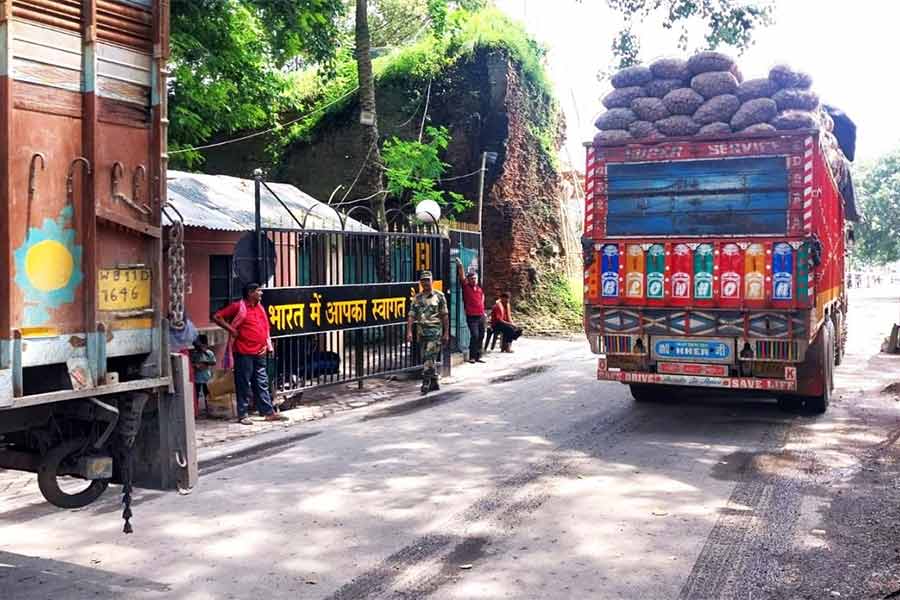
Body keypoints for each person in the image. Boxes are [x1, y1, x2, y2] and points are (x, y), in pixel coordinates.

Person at [213, 283, 288, 425]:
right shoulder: (238, 307)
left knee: (261, 382)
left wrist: (267, 345)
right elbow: (217, 317)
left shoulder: (259, 307)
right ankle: (243, 414)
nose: (261, 293)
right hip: (243, 352)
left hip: (260, 351)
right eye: (258, 290)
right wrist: (232, 330)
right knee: (243, 383)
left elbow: (264, 328)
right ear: (250, 293)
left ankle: (268, 412)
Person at [406, 270, 449, 394]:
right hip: (422, 333)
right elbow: (411, 315)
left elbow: (445, 315)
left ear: (432, 281)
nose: (425, 283)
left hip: (435, 332)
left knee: (429, 356)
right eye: (423, 281)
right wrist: (409, 331)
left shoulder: (439, 296)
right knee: (426, 357)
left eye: (427, 280)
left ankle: (425, 382)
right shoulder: (417, 298)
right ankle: (434, 381)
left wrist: (446, 333)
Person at [455, 257, 486, 364]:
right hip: (471, 316)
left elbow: (482, 298)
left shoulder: (479, 289)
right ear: (469, 280)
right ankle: (472, 356)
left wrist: (483, 311)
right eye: (472, 279)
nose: (474, 280)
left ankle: (478, 355)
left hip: (481, 315)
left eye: (475, 278)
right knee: (475, 335)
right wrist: (460, 265)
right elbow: (462, 277)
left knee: (481, 335)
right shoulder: (466, 287)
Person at [190, 334, 217, 406]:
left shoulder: (209, 353)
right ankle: (196, 407)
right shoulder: (195, 354)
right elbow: (191, 363)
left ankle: (208, 407)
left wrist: (205, 363)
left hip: (206, 377)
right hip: (197, 378)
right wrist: (195, 365)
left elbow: (214, 362)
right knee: (196, 394)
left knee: (207, 394)